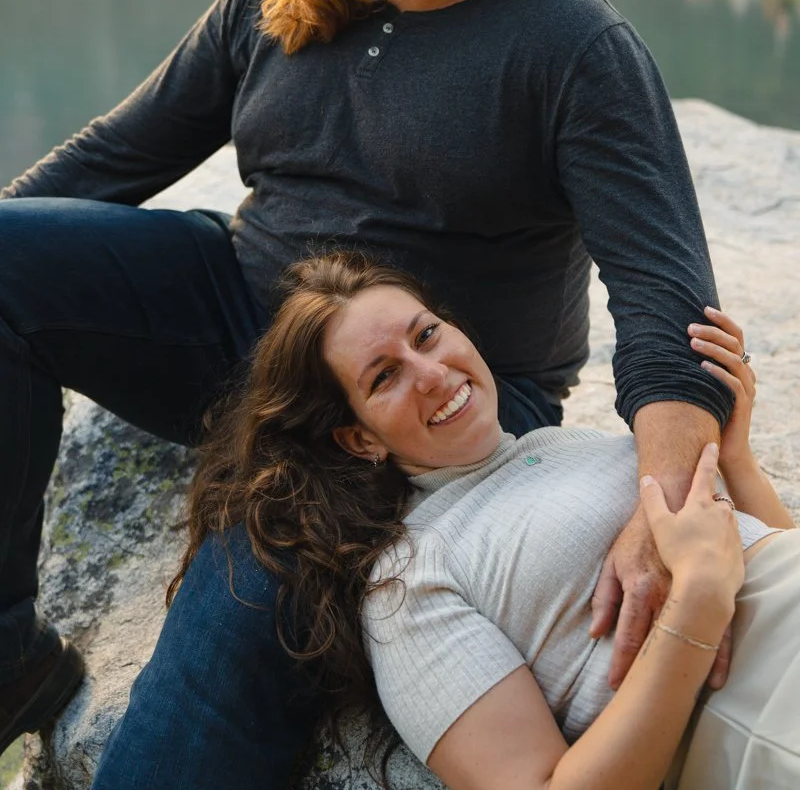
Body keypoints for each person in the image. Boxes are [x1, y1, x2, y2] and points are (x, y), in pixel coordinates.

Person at [0, 0, 733, 786]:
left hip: (428, 391)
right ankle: (9, 662)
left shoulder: (570, 41)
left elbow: (666, 303)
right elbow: (105, 162)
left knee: (243, 598)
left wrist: (662, 516)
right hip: (241, 312)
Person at [171, 250, 797, 790]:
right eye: (385, 376)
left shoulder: (565, 443)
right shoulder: (407, 582)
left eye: (426, 335)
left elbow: (770, 554)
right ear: (359, 439)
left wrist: (736, 465)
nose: (433, 373)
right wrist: (698, 606)